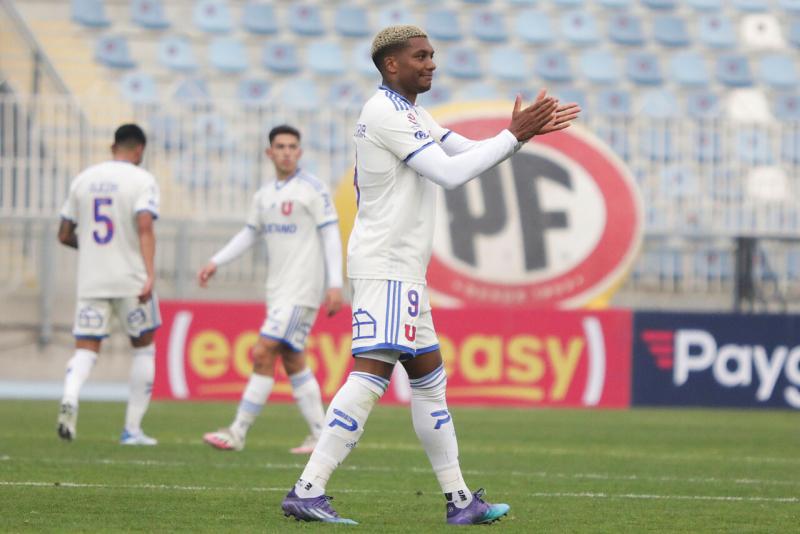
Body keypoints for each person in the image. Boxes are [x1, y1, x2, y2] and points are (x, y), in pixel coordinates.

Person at [281, 26, 581, 525]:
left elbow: (462, 152)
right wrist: (515, 135)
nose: (432, 64)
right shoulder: (383, 112)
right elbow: (449, 174)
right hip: (388, 265)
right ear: (391, 64)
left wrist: (516, 138)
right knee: (371, 375)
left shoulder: (411, 112)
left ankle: (460, 501)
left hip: (404, 272)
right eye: (420, 56)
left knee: (429, 382)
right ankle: (308, 488)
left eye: (433, 55)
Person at [199, 125, 344, 454]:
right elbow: (249, 234)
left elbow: (330, 235)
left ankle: (237, 431)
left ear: (300, 152)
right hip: (278, 292)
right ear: (269, 152)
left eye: (293, 146)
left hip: (302, 290)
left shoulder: (313, 189)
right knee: (293, 360)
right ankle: (321, 434)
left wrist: (335, 282)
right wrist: (215, 261)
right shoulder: (264, 196)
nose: (287, 152)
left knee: (263, 352)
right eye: (280, 146)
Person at [57, 123, 161, 446]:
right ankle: (132, 430)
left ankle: (70, 397)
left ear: (112, 145)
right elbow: (144, 226)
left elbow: (63, 234)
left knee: (86, 348)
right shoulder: (142, 180)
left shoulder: (83, 179)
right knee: (144, 348)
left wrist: (89, 248)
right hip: (130, 279)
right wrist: (149, 273)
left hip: (92, 279)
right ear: (139, 150)